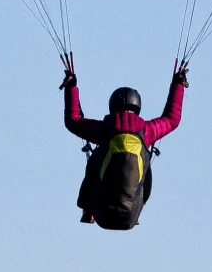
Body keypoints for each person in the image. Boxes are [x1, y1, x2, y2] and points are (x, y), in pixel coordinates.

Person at [59, 52, 187, 231]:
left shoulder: (104, 130)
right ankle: (137, 208)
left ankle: (88, 210)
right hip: (130, 217)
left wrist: (71, 86)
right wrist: (178, 84)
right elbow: (172, 119)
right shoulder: (147, 131)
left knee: (94, 162)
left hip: (102, 213)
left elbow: (73, 120)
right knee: (146, 164)